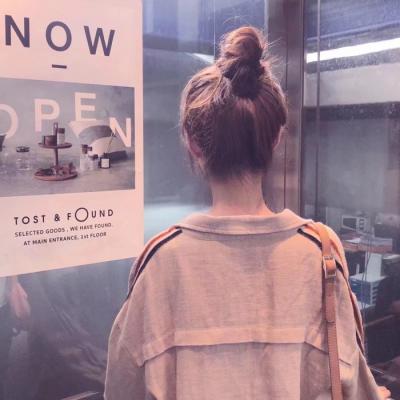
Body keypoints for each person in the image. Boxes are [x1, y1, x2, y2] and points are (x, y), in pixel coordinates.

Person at [105, 27, 390, 399]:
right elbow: (354, 386)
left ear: (193, 144)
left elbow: (120, 388)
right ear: (275, 139)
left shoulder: (161, 263)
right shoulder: (318, 256)